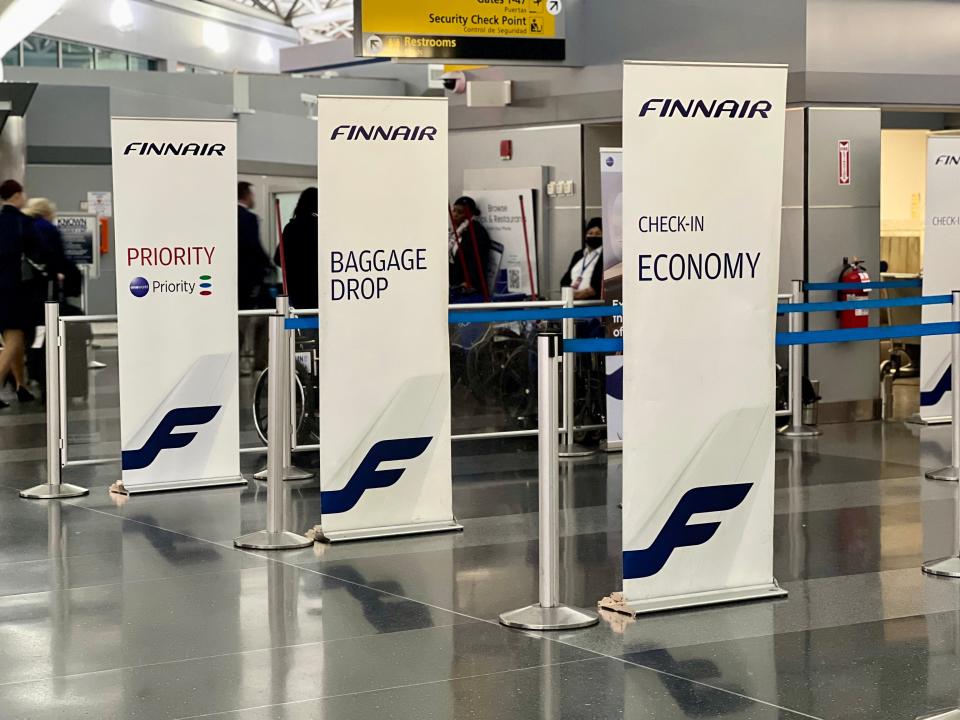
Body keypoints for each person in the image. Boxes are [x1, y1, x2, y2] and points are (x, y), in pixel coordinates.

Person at [0, 180, 42, 407]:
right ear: (17, 195)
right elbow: (39, 252)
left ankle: (21, 386)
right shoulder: (22, 222)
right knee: (16, 339)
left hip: (1, 288)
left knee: (11, 338)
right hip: (16, 288)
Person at [237, 182, 273, 376]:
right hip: (250, 282)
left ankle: (238, 360)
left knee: (240, 322)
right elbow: (253, 246)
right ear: (245, 195)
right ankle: (256, 362)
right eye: (252, 194)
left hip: (234, 281)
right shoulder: (248, 219)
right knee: (257, 320)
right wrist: (267, 265)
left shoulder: (227, 216)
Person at [24, 197, 80, 300]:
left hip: (24, 280)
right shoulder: (48, 228)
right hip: (46, 280)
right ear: (46, 212)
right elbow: (58, 256)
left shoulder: (23, 225)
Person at [275, 187, 318, 311]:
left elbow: (278, 259)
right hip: (317, 291)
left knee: (301, 327)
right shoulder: (320, 227)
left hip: (296, 292)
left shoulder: (291, 227)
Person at [449, 196, 492, 299]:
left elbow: (477, 261)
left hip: (469, 289)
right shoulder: (455, 232)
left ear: (469, 215)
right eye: (454, 210)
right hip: (454, 284)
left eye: (460, 212)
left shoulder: (476, 233)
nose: (454, 215)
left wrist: (469, 282)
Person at [561, 217, 604, 300]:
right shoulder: (578, 254)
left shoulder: (605, 256)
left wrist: (581, 294)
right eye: (590, 233)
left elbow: (599, 284)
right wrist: (569, 293)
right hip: (572, 302)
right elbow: (565, 279)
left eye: (598, 233)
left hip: (594, 304)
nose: (593, 236)